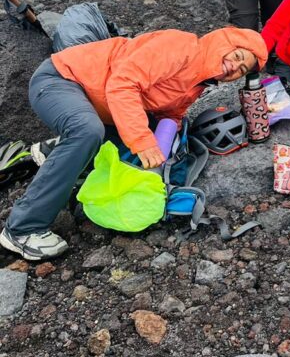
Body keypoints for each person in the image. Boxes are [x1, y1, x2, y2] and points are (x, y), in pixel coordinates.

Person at [0, 27, 267, 261]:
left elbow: (171, 114)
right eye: (237, 56)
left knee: (125, 145)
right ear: (223, 41)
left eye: (242, 70)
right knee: (88, 131)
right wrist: (142, 141)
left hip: (96, 106)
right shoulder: (180, 46)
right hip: (61, 80)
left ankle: (55, 151)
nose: (235, 67)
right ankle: (23, 228)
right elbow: (122, 84)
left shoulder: (199, 82)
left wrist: (166, 145)